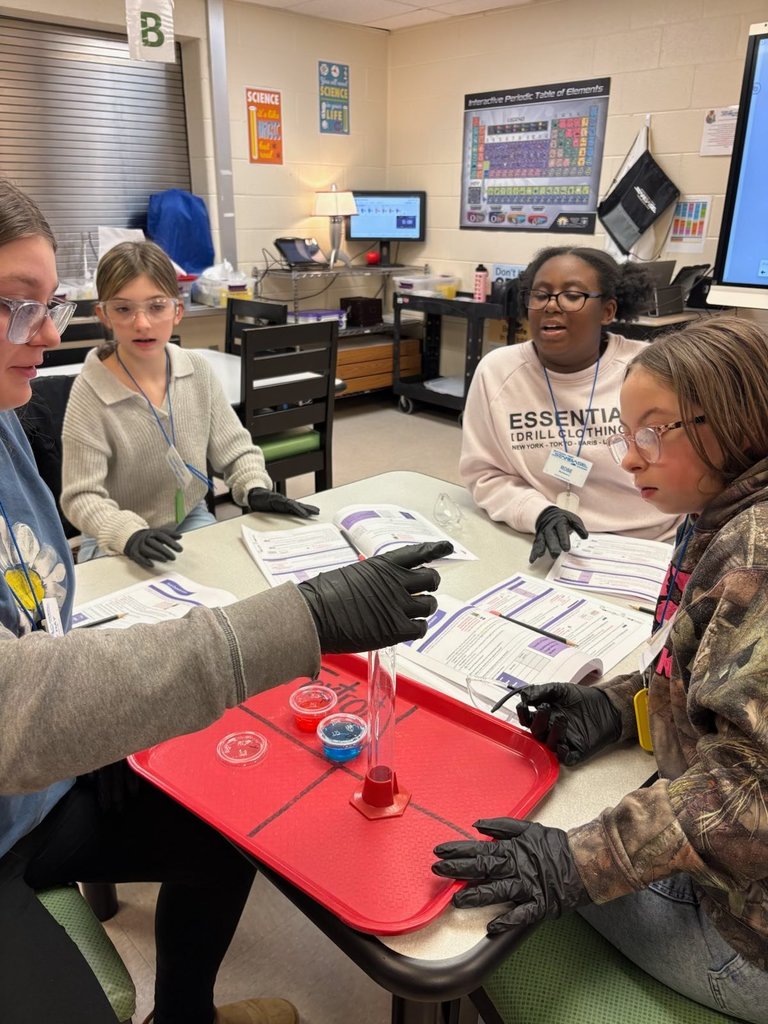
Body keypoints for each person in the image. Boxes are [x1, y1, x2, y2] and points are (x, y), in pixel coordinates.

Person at [0, 178, 451, 1024]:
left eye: (48, 305)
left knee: (225, 832)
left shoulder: (11, 413)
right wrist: (301, 616)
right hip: (23, 778)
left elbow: (40, 618)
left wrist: (253, 482)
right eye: (17, 310)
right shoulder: (80, 396)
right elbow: (18, 689)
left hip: (44, 779)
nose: (48, 336)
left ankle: (186, 1016)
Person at [434, 316, 768, 1023]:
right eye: (624, 431)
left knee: (483, 845)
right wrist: (619, 707)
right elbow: (714, 668)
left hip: (747, 943)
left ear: (739, 421)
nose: (628, 457)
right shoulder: (720, 511)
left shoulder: (757, 555)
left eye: (653, 432)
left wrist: (577, 864)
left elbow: (752, 799)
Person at [61, 239, 316, 568]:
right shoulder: (90, 393)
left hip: (189, 518)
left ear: (177, 310)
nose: (142, 323)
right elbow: (81, 496)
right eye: (124, 309)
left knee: (227, 586)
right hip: (118, 536)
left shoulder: (197, 370)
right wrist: (127, 533)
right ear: (104, 315)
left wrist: (253, 487)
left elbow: (235, 450)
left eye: (156, 306)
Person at [459, 246, 681, 563]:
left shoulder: (650, 369)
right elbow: (485, 475)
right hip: (550, 542)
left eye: (572, 295)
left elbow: (693, 470)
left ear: (607, 310)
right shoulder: (497, 372)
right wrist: (539, 513)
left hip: (653, 547)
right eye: (540, 295)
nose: (551, 306)